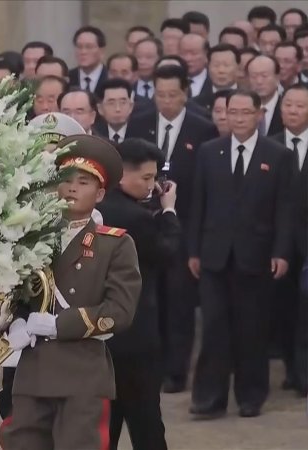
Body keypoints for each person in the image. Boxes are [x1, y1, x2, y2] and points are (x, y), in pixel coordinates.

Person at [0, 134, 142, 450]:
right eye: (65, 180)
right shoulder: (32, 239)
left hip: (82, 372)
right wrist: (15, 322)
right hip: (33, 370)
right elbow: (15, 292)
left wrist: (59, 325)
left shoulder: (115, 244)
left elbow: (120, 311)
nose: (72, 188)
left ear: (101, 193)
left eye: (84, 182)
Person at [189, 89, 293, 419]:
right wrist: (193, 250)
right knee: (215, 329)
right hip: (213, 256)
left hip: (257, 255)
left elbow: (285, 210)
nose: (237, 118)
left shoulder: (278, 155)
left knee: (252, 330)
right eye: (231, 112)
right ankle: (209, 399)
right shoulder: (209, 152)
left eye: (245, 112)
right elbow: (197, 205)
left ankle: (251, 397)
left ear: (259, 114)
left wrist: (281, 251)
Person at [126, 64, 219, 393]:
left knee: (179, 304)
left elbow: (206, 187)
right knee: (150, 301)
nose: (166, 101)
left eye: (173, 95)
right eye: (160, 95)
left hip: (184, 226)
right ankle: (153, 365)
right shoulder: (137, 123)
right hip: (145, 227)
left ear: (185, 93)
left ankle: (177, 370)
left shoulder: (203, 129)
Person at [0, 113, 87, 426]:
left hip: (71, 340)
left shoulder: (92, 218)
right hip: (22, 339)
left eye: (57, 155)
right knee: (18, 418)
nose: (49, 163)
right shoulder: (9, 211)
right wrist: (16, 322)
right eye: (41, 153)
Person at [98, 138, 180, 450]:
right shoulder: (137, 218)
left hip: (101, 335)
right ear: (121, 174)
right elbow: (167, 253)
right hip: (137, 336)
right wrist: (169, 211)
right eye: (146, 178)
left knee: (107, 425)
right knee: (146, 423)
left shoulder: (98, 209)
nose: (151, 186)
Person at [268, 83, 308, 397]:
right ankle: (292, 371)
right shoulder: (270, 147)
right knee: (284, 309)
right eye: (288, 105)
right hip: (278, 244)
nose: (292, 111)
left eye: (300, 106)